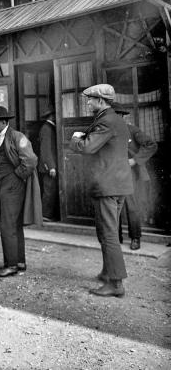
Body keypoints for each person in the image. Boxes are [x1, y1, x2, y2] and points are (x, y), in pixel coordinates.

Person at [69, 84, 133, 297]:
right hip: (118, 184)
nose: (87, 103)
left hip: (107, 186)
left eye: (90, 99)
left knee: (108, 234)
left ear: (100, 101)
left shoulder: (106, 121)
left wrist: (76, 138)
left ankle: (116, 284)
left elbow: (87, 147)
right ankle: (108, 273)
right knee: (108, 232)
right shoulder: (115, 120)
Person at [0, 106, 41, 278]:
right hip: (6, 186)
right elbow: (7, 161)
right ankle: (19, 262)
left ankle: (11, 265)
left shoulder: (16, 136)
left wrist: (16, 177)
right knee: (14, 226)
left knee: (8, 226)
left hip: (12, 188)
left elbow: (31, 160)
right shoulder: (2, 137)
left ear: (4, 121)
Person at [112, 103, 157, 251]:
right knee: (113, 206)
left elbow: (151, 144)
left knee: (131, 206)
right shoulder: (107, 132)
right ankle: (116, 238)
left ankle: (135, 238)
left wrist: (135, 160)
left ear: (123, 116)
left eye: (118, 115)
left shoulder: (133, 130)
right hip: (113, 174)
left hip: (130, 174)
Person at [37, 108, 60, 221]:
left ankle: (48, 214)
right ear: (51, 116)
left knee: (51, 189)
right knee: (49, 190)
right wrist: (51, 166)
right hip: (48, 166)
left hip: (51, 165)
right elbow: (45, 149)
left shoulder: (50, 127)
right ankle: (45, 214)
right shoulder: (47, 128)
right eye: (55, 114)